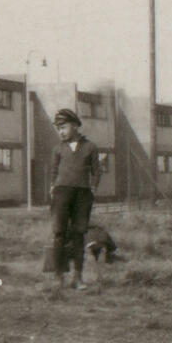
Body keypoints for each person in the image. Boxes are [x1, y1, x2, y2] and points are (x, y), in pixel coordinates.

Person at [48, 108, 101, 290]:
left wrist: (92, 189)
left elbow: (97, 171)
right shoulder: (58, 148)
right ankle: (58, 277)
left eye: (63, 127)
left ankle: (77, 278)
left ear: (75, 125)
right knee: (59, 234)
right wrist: (53, 189)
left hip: (82, 194)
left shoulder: (90, 147)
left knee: (79, 234)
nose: (61, 132)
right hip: (62, 193)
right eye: (58, 129)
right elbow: (53, 172)